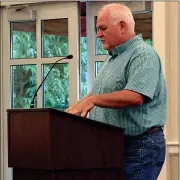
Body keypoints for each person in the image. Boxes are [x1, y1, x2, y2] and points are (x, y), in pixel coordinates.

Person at [66, 3, 167, 180]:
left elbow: (135, 96)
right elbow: (100, 92)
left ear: (122, 26)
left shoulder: (143, 54)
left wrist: (93, 100)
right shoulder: (112, 58)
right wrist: (77, 107)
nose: (98, 35)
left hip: (138, 146)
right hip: (114, 146)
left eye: (102, 28)